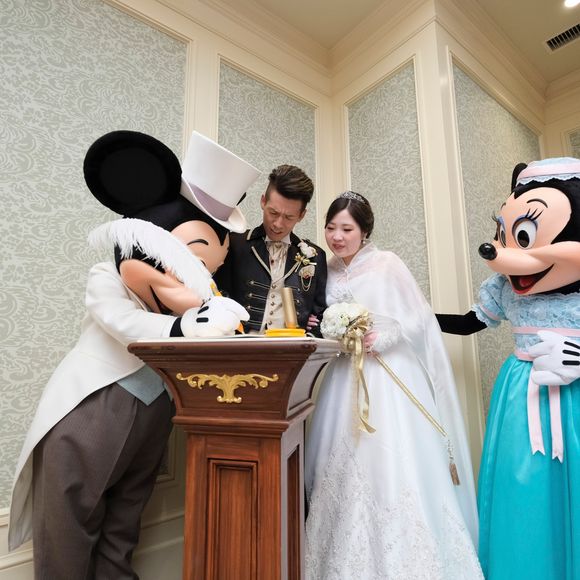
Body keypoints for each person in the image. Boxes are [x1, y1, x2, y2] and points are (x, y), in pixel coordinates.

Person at [8, 130, 259, 579]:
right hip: (95, 406)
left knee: (125, 520)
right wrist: (182, 327)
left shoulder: (202, 299)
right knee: (69, 521)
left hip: (155, 410)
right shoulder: (106, 275)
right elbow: (122, 323)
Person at [305, 191, 483, 579]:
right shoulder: (324, 269)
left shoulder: (387, 264)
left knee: (389, 458)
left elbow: (419, 319)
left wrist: (381, 337)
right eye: (331, 228)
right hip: (344, 377)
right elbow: (319, 316)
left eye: (347, 229)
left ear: (364, 231)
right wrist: (334, 333)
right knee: (342, 462)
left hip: (388, 376)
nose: (337, 237)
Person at [437, 157, 580, 580]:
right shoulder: (503, 287)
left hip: (574, 392)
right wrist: (419, 316)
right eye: (507, 234)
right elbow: (471, 322)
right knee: (522, 486)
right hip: (522, 388)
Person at [214, 164, 327, 334]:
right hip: (239, 344)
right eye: (273, 213)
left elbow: (318, 316)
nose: (278, 224)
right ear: (263, 201)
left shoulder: (315, 256)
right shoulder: (235, 243)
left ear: (302, 215)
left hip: (292, 348)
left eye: (289, 217)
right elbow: (217, 296)